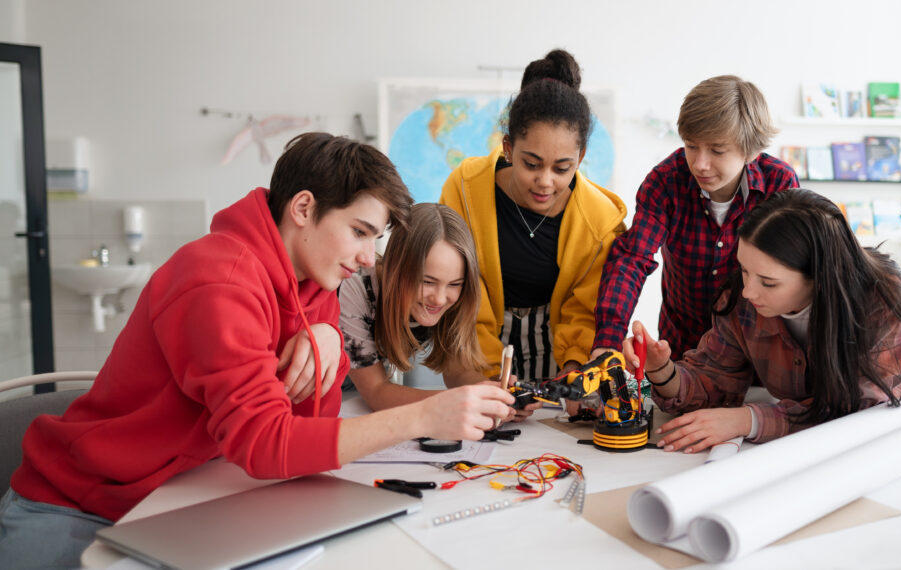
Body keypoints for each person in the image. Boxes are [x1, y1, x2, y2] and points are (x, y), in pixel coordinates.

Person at [0, 133, 514, 568]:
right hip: (77, 507)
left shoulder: (315, 280)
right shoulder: (218, 281)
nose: (364, 258)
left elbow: (316, 417)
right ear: (304, 208)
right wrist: (423, 417)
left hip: (180, 499)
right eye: (359, 232)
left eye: (373, 239)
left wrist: (328, 336)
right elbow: (266, 444)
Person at [623, 189, 901, 453]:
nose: (748, 292)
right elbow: (713, 380)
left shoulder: (884, 303)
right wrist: (661, 370)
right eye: (743, 270)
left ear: (821, 277)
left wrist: (750, 419)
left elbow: (860, 417)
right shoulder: (744, 298)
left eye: (768, 282)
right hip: (818, 454)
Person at [440, 49, 626, 381]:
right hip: (474, 349)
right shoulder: (465, 191)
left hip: (558, 354)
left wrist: (573, 372)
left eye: (562, 168)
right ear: (508, 148)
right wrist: (490, 377)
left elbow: (583, 311)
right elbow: (465, 293)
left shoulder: (600, 222)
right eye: (531, 164)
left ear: (580, 157)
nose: (545, 181)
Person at [593, 75, 799, 362]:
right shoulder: (665, 182)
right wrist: (608, 340)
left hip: (758, 354)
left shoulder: (779, 183)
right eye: (691, 146)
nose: (700, 164)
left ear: (751, 150)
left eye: (717, 150)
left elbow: (795, 273)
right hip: (682, 352)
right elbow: (632, 259)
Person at [338, 202, 537, 420]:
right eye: (427, 282)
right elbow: (376, 392)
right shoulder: (356, 287)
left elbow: (457, 371)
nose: (440, 298)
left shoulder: (459, 298)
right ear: (397, 268)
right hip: (330, 398)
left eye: (454, 284)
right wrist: (462, 402)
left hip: (360, 403)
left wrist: (490, 393)